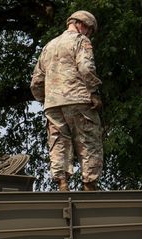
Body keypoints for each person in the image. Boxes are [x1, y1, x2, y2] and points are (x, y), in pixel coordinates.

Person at [30, 10, 103, 192]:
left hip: (53, 104)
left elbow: (36, 82)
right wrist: (94, 92)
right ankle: (89, 186)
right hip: (78, 99)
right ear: (83, 25)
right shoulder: (80, 41)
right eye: (90, 31)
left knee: (58, 143)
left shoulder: (49, 46)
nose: (89, 34)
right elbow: (86, 68)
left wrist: (47, 98)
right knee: (88, 141)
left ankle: (62, 185)